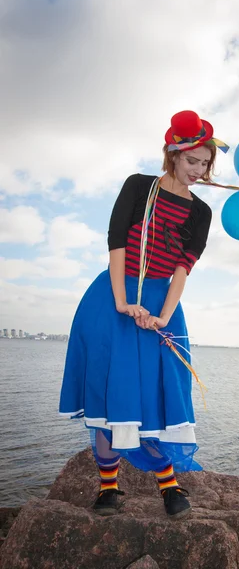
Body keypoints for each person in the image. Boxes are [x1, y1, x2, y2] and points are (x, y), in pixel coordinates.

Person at [59, 110, 229, 519]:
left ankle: (169, 486)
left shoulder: (201, 212)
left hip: (160, 304)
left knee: (158, 393)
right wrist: (121, 302)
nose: (199, 170)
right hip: (111, 298)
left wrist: (163, 316)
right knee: (110, 392)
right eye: (193, 160)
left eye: (205, 163)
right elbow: (116, 242)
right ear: (172, 154)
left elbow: (183, 269)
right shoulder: (138, 187)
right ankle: (108, 489)